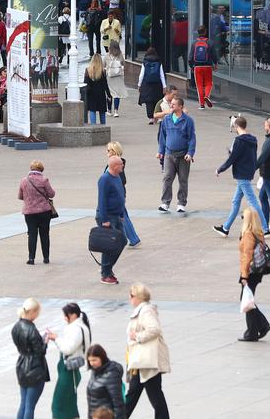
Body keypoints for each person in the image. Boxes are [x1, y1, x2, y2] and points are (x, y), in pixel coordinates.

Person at [125, 283, 171, 418]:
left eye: (131, 295)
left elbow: (155, 329)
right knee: (137, 394)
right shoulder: (143, 310)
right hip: (143, 361)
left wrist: (137, 337)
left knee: (152, 395)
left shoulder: (145, 311)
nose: (129, 298)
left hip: (146, 361)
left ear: (137, 297)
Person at [214, 116, 265, 236]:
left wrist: (220, 169)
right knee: (236, 201)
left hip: (241, 173)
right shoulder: (253, 140)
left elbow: (232, 158)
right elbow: (250, 155)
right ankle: (226, 228)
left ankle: (265, 228)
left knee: (252, 201)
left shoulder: (238, 140)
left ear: (236, 126)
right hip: (248, 171)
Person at [12, 298, 53, 419]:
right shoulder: (32, 329)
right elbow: (40, 351)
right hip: (35, 369)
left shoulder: (16, 327)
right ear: (33, 312)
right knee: (30, 406)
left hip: (22, 366)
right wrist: (45, 341)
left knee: (24, 404)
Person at [156, 95, 197, 214]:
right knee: (167, 178)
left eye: (173, 104)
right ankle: (165, 202)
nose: (171, 106)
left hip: (183, 155)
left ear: (180, 106)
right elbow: (162, 137)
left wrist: (190, 153)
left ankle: (181, 203)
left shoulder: (188, 121)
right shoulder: (166, 120)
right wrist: (160, 151)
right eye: (171, 104)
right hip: (169, 154)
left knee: (183, 179)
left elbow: (192, 138)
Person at [51, 302, 91, 419]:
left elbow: (67, 349)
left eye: (65, 315)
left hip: (69, 372)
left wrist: (56, 338)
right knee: (70, 406)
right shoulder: (81, 327)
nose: (64, 318)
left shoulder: (76, 329)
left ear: (73, 315)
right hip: (71, 371)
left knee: (58, 406)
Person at [237, 206, 270, 342]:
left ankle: (257, 329)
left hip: (250, 272)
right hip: (258, 271)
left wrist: (244, 276)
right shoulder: (258, 233)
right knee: (248, 300)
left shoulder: (248, 235)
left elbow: (246, 256)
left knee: (246, 301)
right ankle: (257, 328)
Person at [95, 157, 128, 285]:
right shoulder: (104, 179)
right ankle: (106, 273)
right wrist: (104, 220)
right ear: (114, 166)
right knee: (108, 246)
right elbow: (101, 200)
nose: (123, 166)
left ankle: (106, 268)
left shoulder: (117, 176)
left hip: (117, 216)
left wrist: (121, 213)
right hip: (107, 217)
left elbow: (120, 194)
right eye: (121, 164)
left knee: (122, 241)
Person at [18, 160, 56, 265]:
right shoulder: (44, 180)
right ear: (41, 169)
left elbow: (20, 196)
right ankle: (46, 258)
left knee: (32, 234)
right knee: (44, 234)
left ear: (31, 168)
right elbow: (51, 194)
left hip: (29, 212)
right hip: (44, 211)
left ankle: (31, 258)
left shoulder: (24, 181)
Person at [105, 142, 142, 247]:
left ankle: (131, 239)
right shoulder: (116, 163)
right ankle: (131, 239)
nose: (106, 152)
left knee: (121, 217)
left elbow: (122, 180)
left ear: (113, 151)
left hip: (116, 196)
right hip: (117, 195)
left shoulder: (116, 164)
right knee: (122, 217)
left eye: (108, 150)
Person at [84, 344, 126, 419]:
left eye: (94, 360)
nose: (91, 363)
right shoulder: (95, 371)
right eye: (89, 360)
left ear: (102, 358)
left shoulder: (111, 375)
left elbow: (118, 403)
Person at [136, 46, 167, 125]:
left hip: (147, 84)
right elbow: (162, 75)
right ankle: (159, 117)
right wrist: (164, 86)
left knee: (148, 101)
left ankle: (151, 118)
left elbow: (141, 75)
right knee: (158, 100)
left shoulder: (145, 62)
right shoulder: (158, 61)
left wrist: (139, 85)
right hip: (157, 84)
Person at [189, 26, 215, 109]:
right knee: (209, 83)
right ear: (205, 31)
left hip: (197, 67)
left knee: (199, 85)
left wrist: (191, 66)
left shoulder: (194, 43)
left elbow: (190, 57)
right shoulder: (210, 42)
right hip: (208, 66)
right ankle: (207, 96)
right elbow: (214, 55)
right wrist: (215, 63)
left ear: (198, 32)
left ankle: (202, 105)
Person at [84, 54, 112, 125]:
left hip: (91, 94)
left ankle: (93, 127)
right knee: (102, 111)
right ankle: (103, 127)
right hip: (101, 94)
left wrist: (85, 96)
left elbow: (86, 84)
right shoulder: (102, 71)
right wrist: (109, 95)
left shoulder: (88, 70)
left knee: (92, 110)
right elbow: (105, 85)